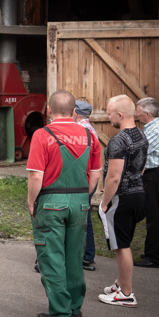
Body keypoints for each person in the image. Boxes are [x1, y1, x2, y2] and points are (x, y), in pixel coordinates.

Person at [26, 91, 102, 317]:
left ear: (49, 110)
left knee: (52, 257)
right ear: (74, 112)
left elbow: (36, 175)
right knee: (75, 256)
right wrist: (82, 197)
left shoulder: (42, 134)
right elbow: (95, 175)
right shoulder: (90, 136)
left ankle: (60, 313)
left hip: (51, 201)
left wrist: (31, 202)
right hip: (80, 202)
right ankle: (74, 308)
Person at [97, 95, 147, 308]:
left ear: (120, 114)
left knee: (122, 246)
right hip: (139, 194)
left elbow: (114, 177)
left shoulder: (118, 140)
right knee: (125, 241)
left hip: (122, 198)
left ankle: (126, 293)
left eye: (109, 114)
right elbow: (141, 167)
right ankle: (120, 283)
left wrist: (105, 202)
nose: (108, 117)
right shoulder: (141, 135)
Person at [133, 97, 159, 268]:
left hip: (156, 176)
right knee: (151, 214)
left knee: (154, 217)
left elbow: (142, 152)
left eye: (138, 111)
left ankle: (154, 258)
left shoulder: (155, 130)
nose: (136, 114)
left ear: (147, 114)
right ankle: (151, 253)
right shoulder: (154, 127)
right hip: (155, 175)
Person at [74, 101, 99, 271]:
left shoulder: (80, 130)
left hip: (81, 180)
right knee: (85, 218)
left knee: (80, 219)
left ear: (75, 113)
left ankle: (84, 256)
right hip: (90, 179)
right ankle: (87, 256)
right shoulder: (91, 129)